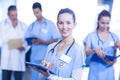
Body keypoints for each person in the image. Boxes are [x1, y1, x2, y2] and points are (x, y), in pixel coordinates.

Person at [31, 8, 86, 80]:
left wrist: (50, 76)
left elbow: (76, 79)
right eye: (61, 23)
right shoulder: (50, 47)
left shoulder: (78, 50)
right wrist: (43, 69)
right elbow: (41, 77)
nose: (64, 27)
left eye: (68, 23)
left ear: (74, 24)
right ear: (57, 25)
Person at [25, 2, 61, 80]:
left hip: (46, 59)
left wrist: (42, 42)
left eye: (37, 12)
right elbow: (27, 42)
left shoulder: (50, 25)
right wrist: (31, 40)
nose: (36, 15)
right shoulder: (32, 26)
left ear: (41, 10)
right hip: (34, 59)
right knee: (34, 78)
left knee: (46, 78)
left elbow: (56, 41)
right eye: (34, 13)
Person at [83, 10, 120, 80]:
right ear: (98, 21)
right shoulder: (91, 36)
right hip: (95, 72)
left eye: (107, 23)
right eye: (102, 23)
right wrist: (94, 50)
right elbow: (85, 53)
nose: (105, 26)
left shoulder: (114, 36)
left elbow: (115, 54)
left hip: (109, 72)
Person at [0, 5, 28, 80]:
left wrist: (24, 46)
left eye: (16, 15)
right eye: (12, 15)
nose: (14, 17)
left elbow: (26, 41)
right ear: (8, 15)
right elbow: (5, 39)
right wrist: (18, 45)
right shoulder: (2, 24)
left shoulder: (23, 25)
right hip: (7, 59)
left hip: (18, 58)